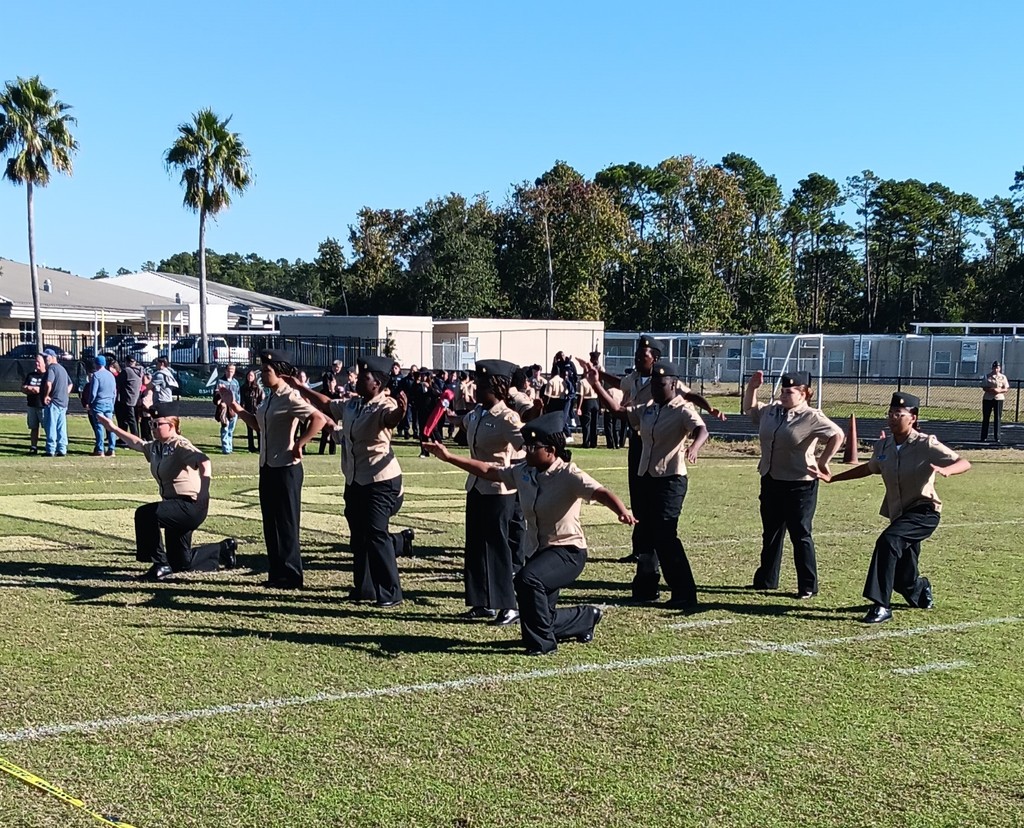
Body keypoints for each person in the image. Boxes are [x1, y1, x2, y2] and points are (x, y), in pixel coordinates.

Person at [424, 412, 635, 655]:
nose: (527, 451)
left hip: (567, 551)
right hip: (538, 551)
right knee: (540, 616)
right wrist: (449, 457)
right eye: (527, 446)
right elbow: (488, 470)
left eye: (534, 447)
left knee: (526, 580)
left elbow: (600, 492)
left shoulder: (569, 475)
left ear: (552, 450)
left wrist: (621, 511)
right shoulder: (524, 471)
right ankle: (585, 617)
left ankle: (543, 646)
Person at [812, 392, 971, 623]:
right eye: (890, 413)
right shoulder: (883, 445)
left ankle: (881, 606)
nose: (893, 417)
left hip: (924, 512)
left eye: (899, 413)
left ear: (913, 418)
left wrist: (948, 470)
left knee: (887, 542)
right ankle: (920, 588)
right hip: (899, 515)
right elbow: (869, 468)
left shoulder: (926, 444)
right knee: (903, 577)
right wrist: (833, 478)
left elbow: (964, 462)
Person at [287, 354, 412, 607]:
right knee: (359, 537)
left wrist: (401, 410)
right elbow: (328, 403)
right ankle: (364, 588)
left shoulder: (384, 406)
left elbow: (392, 419)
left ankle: (390, 593)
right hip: (355, 480)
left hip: (381, 481)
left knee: (376, 534)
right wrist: (302, 388)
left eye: (363, 377)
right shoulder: (354, 405)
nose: (355, 380)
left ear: (376, 383)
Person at [586, 359, 710, 609]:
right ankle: (645, 588)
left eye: (661, 383)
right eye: (653, 383)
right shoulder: (650, 408)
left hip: (670, 480)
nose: (655, 388)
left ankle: (684, 592)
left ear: (674, 384)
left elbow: (702, 429)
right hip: (647, 478)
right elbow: (620, 412)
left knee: (665, 536)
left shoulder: (682, 409)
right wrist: (596, 385)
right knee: (644, 534)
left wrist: (694, 448)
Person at [591, 335, 724, 564]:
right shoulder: (634, 379)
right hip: (640, 440)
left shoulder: (669, 385)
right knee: (639, 498)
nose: (638, 359)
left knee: (660, 518)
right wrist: (596, 377)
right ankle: (641, 551)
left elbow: (690, 396)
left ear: (655, 359)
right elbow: (617, 394)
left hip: (664, 447)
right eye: (637, 355)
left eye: (643, 356)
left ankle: (653, 554)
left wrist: (709, 410)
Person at [96, 403, 238, 580]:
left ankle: (160, 564)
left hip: (190, 506)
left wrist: (204, 491)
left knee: (146, 514)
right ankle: (223, 549)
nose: (153, 428)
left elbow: (204, 461)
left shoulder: (180, 444)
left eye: (157, 425)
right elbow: (138, 443)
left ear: (171, 425)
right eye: (152, 424)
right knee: (180, 563)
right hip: (173, 506)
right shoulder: (157, 446)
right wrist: (113, 428)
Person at [225, 350, 327, 589]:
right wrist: (236, 407)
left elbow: (318, 419)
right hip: (268, 466)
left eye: (266, 371)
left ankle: (291, 575)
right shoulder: (269, 397)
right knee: (270, 523)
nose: (262, 374)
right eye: (261, 370)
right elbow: (260, 426)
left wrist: (301, 443)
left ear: (279, 372)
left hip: (286, 469)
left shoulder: (290, 397)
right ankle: (276, 572)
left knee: (287, 523)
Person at [742, 370, 845, 599]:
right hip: (771, 479)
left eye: (790, 392)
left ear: (804, 394)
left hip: (800, 484)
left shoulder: (811, 416)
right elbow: (750, 409)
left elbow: (837, 435)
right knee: (771, 532)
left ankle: (807, 585)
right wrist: (752, 388)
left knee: (800, 534)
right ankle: (766, 579)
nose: (784, 395)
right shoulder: (773, 411)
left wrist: (823, 461)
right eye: (783, 391)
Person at [452, 359, 526, 625]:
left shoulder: (507, 417)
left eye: (482, 384)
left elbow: (524, 446)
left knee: (498, 548)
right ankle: (481, 602)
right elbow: (464, 429)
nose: (477, 388)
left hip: (499, 489)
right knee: (475, 546)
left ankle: (509, 605)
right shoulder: (476, 414)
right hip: (476, 486)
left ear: (498, 387)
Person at [40, 349, 72, 457]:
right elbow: (70, 384)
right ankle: (62, 449)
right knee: (61, 427)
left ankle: (51, 449)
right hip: (63, 403)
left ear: (53, 357)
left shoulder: (52, 368)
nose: (45, 359)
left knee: (51, 426)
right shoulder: (63, 369)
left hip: (54, 403)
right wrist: (64, 394)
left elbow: (49, 384)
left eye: (46, 357)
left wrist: (46, 395)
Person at [22, 353, 47, 454]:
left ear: (44, 363)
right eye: (35, 362)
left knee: (47, 428)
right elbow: (23, 387)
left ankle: (50, 446)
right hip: (32, 405)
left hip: (43, 406)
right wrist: (27, 388)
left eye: (38, 362)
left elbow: (51, 388)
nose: (36, 364)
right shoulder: (31, 375)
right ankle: (33, 447)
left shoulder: (48, 375)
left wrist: (39, 389)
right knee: (33, 427)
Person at [115, 354, 144, 439]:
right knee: (133, 420)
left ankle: (134, 439)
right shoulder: (140, 370)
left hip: (128, 399)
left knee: (128, 421)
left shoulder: (127, 371)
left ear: (126, 362)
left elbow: (118, 381)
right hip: (135, 398)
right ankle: (128, 438)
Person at [980, 360, 1010, 442]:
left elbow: (1006, 388)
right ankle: (983, 436)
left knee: (997, 417)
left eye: (997, 368)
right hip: (988, 398)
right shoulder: (987, 376)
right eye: (994, 368)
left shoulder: (1003, 377)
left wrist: (999, 391)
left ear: (999, 368)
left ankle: (997, 437)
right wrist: (991, 390)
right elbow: (984, 387)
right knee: (986, 417)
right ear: (992, 368)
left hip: (998, 398)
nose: (996, 369)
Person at [216, 364, 241, 454]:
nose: (231, 372)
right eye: (229, 370)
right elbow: (216, 395)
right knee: (225, 427)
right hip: (224, 408)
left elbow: (238, 396)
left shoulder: (236, 382)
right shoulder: (220, 382)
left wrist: (238, 407)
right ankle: (226, 448)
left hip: (233, 409)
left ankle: (230, 447)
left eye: (232, 370)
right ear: (225, 371)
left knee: (231, 429)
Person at [240, 369, 263, 453]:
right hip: (247, 411)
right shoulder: (243, 388)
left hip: (257, 411)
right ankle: (251, 447)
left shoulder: (258, 388)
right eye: (249, 375)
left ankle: (260, 447)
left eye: (252, 376)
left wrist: (259, 409)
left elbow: (261, 400)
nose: (250, 377)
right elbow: (242, 400)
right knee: (249, 430)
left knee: (259, 430)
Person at [576, 373, 600, 448]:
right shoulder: (595, 381)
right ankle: (594, 443)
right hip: (595, 401)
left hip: (587, 401)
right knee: (594, 424)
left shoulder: (582, 382)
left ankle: (586, 442)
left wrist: (579, 407)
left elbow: (581, 395)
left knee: (586, 423)